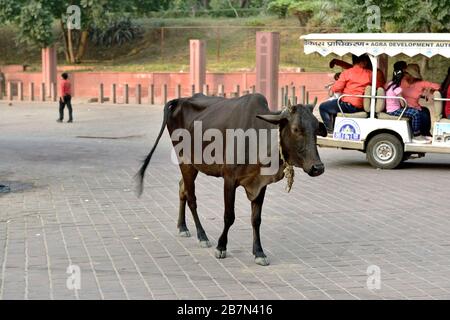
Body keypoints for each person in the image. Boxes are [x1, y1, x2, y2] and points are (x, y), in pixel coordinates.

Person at [319, 54, 373, 133]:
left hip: (348, 106)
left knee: (323, 107)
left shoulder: (347, 73)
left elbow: (337, 88)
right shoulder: (370, 74)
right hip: (362, 106)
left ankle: (330, 131)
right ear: (363, 61)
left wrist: (332, 89)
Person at [384, 69, 428, 144]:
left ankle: (416, 133)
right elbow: (403, 103)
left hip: (390, 109)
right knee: (415, 113)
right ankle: (416, 134)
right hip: (394, 110)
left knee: (413, 111)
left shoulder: (390, 84)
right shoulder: (397, 88)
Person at [401, 64, 440, 137]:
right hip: (404, 107)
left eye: (406, 73)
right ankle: (423, 134)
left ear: (412, 75)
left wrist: (431, 91)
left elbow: (437, 86)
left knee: (426, 110)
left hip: (415, 107)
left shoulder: (420, 84)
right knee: (424, 114)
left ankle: (425, 133)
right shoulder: (402, 82)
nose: (404, 75)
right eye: (404, 73)